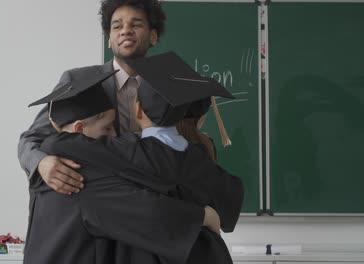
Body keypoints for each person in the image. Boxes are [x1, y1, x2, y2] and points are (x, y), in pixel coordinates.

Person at [36, 51, 243, 264]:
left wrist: (45, 154)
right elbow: (230, 210)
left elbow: (57, 143)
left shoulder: (125, 151)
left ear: (137, 110)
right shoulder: (200, 159)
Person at [18, 0, 167, 194]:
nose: (125, 31)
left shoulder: (167, 87)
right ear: (109, 39)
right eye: (117, 26)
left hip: (154, 205)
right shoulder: (78, 81)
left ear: (153, 36)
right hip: (92, 204)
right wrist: (42, 163)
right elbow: (30, 139)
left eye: (136, 24)